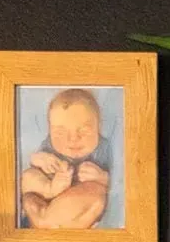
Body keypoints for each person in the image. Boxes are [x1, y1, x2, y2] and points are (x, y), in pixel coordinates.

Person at [21, 88, 113, 230]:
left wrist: (103, 178)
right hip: (49, 196)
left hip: (75, 204)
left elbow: (119, 180)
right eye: (60, 133)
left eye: (84, 131)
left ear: (98, 127)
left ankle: (44, 222)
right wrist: (40, 159)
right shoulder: (49, 145)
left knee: (97, 194)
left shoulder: (105, 147)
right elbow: (35, 163)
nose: (73, 139)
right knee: (27, 177)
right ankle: (47, 204)